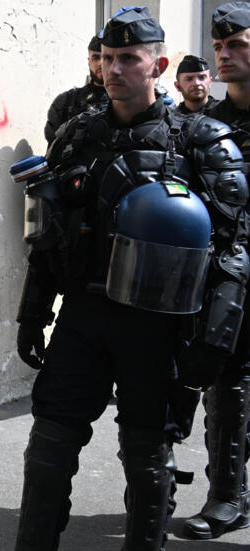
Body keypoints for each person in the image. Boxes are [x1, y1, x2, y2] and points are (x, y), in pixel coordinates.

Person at [14, 7, 248, 551]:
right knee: (48, 444)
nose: (114, 69)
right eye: (109, 58)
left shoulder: (201, 142)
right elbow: (47, 237)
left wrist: (214, 343)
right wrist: (32, 313)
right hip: (83, 317)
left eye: (129, 59)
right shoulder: (75, 136)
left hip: (157, 324)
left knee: (146, 458)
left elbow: (234, 252)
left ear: (158, 64)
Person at [180, 2, 250, 540]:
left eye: (236, 46)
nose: (223, 56)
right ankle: (229, 496)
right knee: (227, 381)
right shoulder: (209, 125)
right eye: (219, 47)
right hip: (231, 270)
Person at [44, 31, 109, 146]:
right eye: (95, 57)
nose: (100, 63)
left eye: (106, 57)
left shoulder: (127, 101)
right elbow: (53, 149)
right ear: (89, 62)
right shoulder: (65, 102)